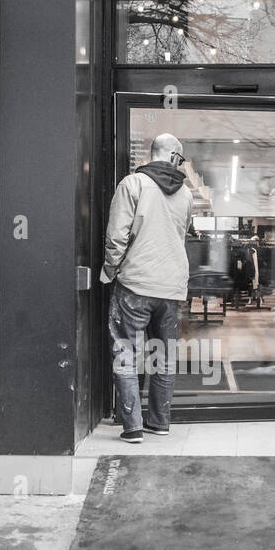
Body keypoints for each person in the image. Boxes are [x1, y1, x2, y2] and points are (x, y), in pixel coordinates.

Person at [100, 133, 194, 443]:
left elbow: (116, 236)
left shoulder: (132, 184)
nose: (179, 165)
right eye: (179, 159)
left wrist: (111, 271)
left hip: (136, 283)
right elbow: (179, 235)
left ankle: (132, 427)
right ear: (171, 156)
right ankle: (160, 422)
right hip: (171, 286)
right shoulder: (186, 194)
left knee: (126, 353)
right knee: (163, 356)